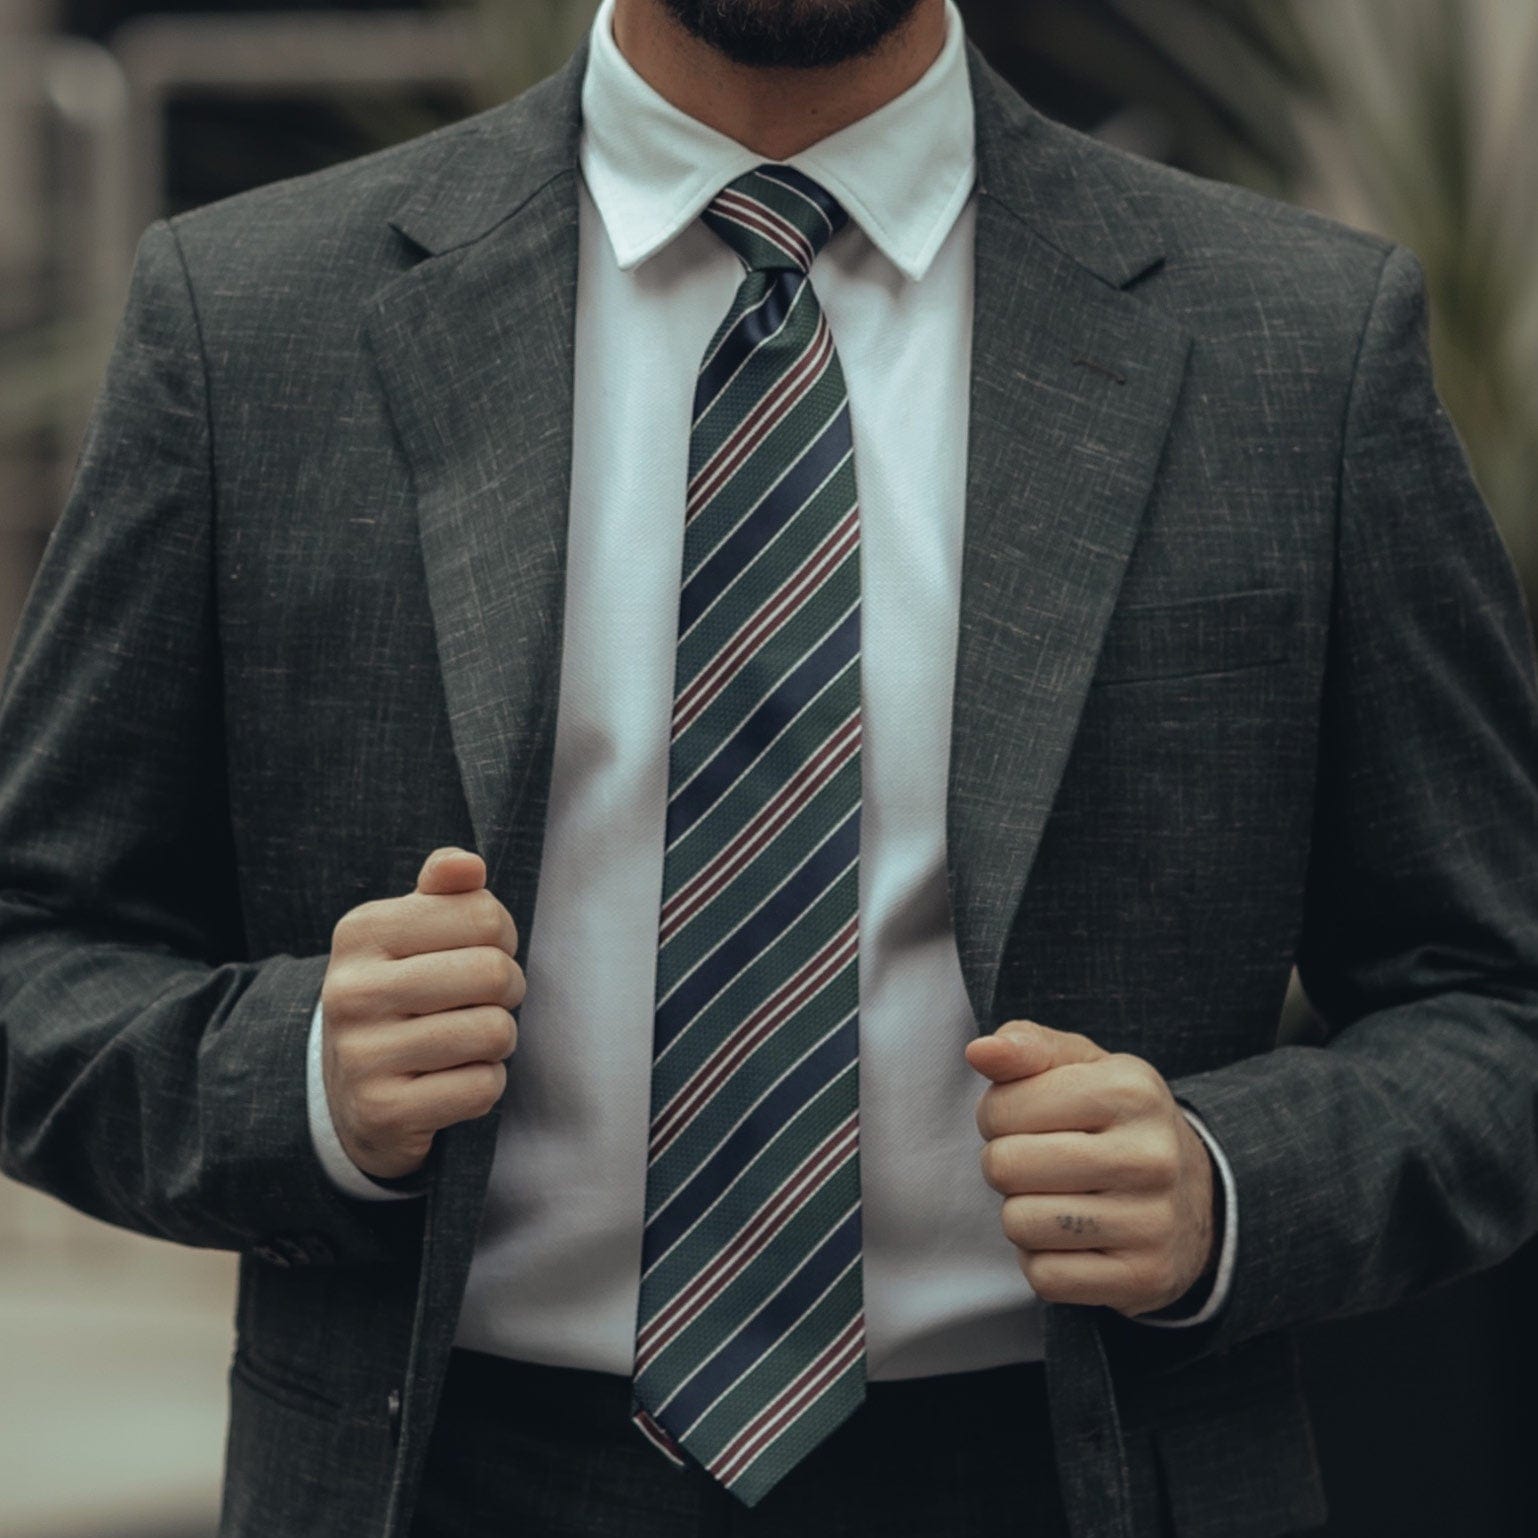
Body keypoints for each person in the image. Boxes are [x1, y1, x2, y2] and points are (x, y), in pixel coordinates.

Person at [1, 0, 1536, 1534]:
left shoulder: (1297, 344)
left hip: (1070, 1472)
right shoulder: (253, 318)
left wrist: (1226, 1185)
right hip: (447, 1473)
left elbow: (1492, 1003)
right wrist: (304, 1082)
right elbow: (35, 949)